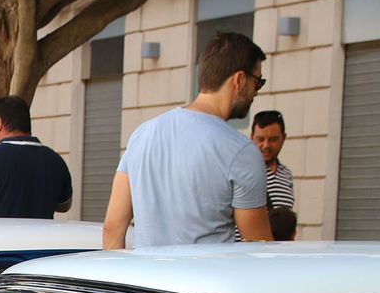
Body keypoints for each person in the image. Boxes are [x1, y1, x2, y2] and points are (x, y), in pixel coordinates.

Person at [103, 31, 271, 250]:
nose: (255, 93)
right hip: (206, 282)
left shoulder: (142, 134)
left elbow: (112, 228)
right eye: (258, 82)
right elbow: (260, 248)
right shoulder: (241, 152)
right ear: (239, 80)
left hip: (144, 281)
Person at [252, 108, 294, 210]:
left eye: (273, 139)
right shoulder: (244, 172)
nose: (266, 145)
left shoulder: (286, 174)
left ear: (283, 138)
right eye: (261, 139)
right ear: (251, 138)